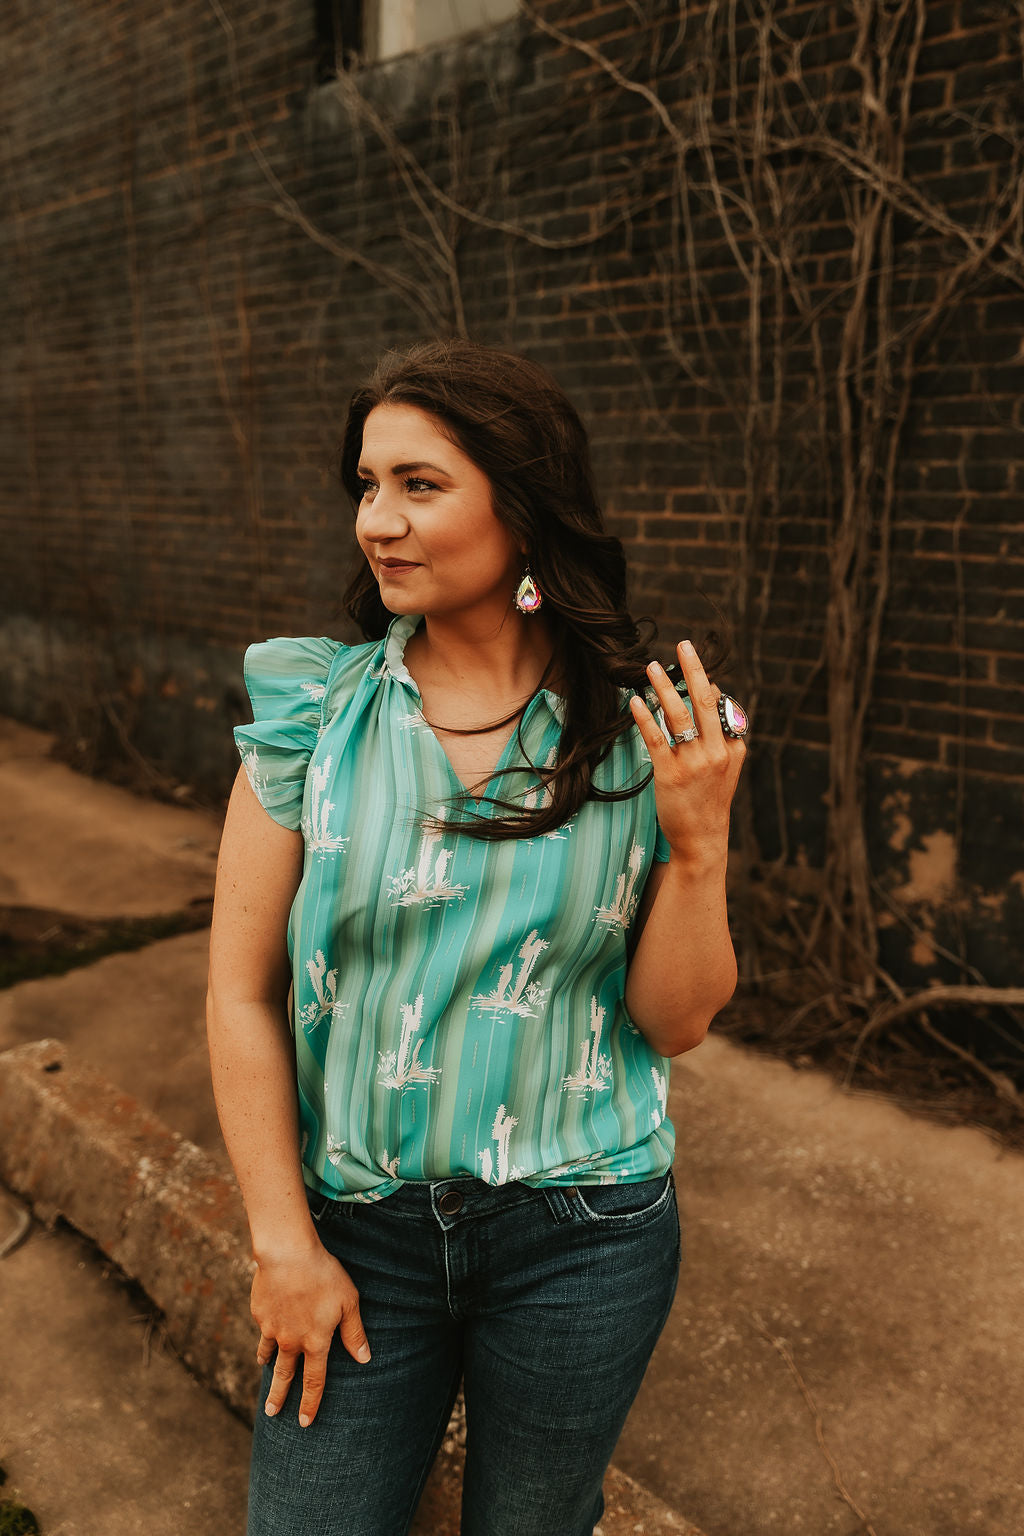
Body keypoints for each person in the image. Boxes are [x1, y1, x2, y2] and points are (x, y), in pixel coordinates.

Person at [206, 339, 747, 1536]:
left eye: (420, 485)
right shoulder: (316, 716)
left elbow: (676, 1021)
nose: (377, 522)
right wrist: (280, 1246)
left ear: (523, 503)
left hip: (584, 1237)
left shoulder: (638, 726)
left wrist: (697, 846)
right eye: (366, 484)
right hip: (356, 1234)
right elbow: (238, 994)